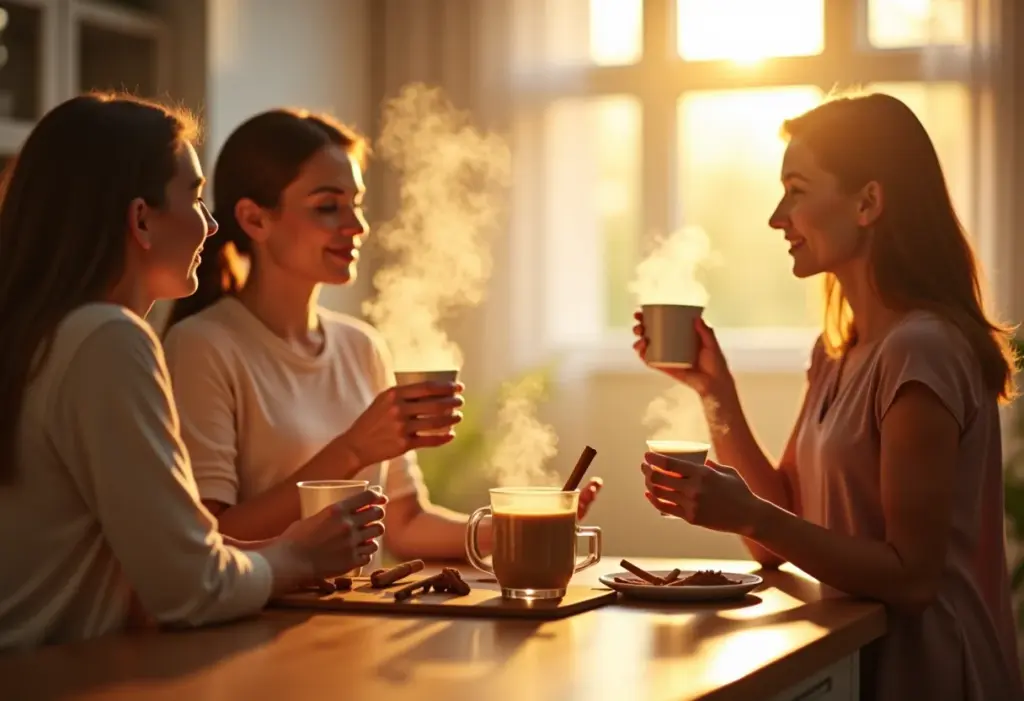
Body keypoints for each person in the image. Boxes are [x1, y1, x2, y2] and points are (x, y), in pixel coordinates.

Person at [633, 92, 1024, 700]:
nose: (776, 217)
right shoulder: (838, 352)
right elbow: (777, 528)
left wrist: (748, 512)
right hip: (849, 664)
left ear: (868, 201)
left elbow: (912, 577)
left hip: (930, 677)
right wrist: (717, 392)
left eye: (797, 189)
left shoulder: (921, 351)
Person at [0, 93, 386, 650]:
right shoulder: (108, 340)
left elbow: (176, 557)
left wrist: (289, 551)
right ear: (141, 219)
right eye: (196, 197)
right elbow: (190, 588)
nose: (210, 225)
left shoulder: (41, 335)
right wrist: (298, 554)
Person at [162, 109, 601, 560]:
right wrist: (354, 449)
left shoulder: (362, 346)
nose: (357, 226)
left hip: (360, 615)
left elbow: (405, 525)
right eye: (328, 207)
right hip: (263, 619)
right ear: (255, 220)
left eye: (356, 204)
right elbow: (211, 536)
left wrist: (517, 527)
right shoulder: (204, 346)